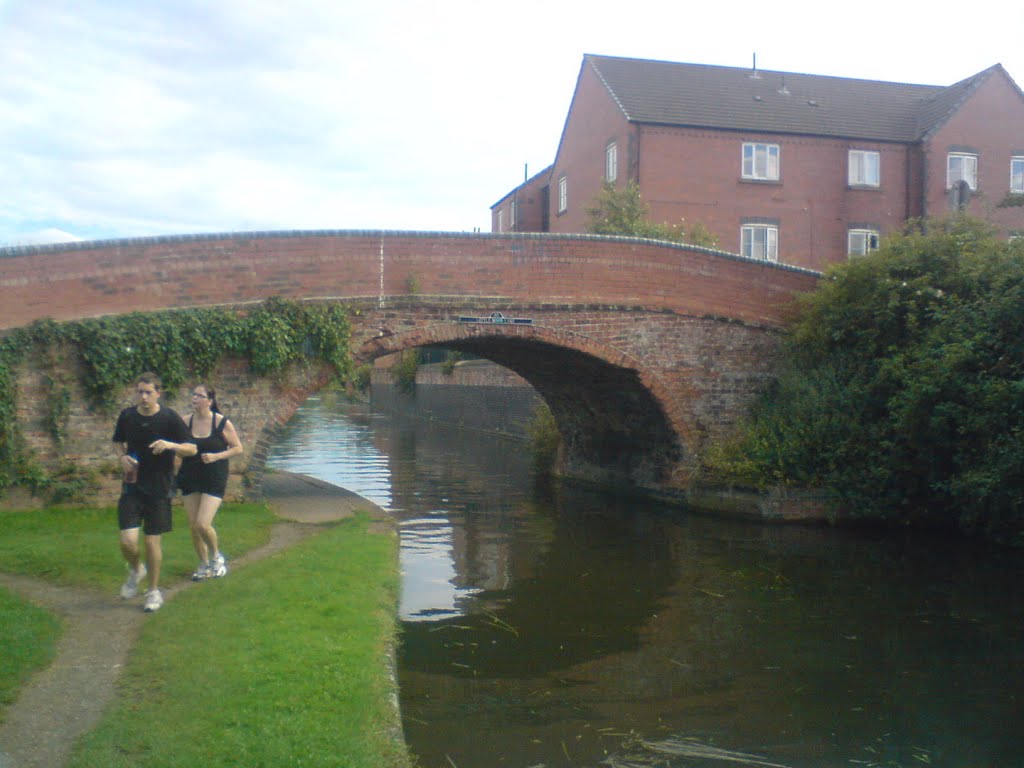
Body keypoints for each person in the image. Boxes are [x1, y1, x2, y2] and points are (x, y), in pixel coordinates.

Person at [112, 372, 197, 612]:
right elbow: (117, 441)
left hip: (160, 486)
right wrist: (122, 458)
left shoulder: (169, 418)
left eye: (148, 392)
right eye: (140, 391)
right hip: (132, 484)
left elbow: (191, 449)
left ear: (158, 393)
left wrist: (170, 444)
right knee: (128, 541)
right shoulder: (127, 416)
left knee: (151, 541)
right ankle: (136, 569)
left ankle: (153, 591)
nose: (143, 396)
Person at [176, 384, 243, 581]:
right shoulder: (185, 423)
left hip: (214, 475)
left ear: (210, 401)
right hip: (190, 474)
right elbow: (179, 449)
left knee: (203, 523)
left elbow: (238, 448)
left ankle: (216, 557)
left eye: (200, 395)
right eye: (193, 394)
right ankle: (203, 565)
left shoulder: (221, 423)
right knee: (194, 526)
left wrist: (216, 456)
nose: (195, 398)